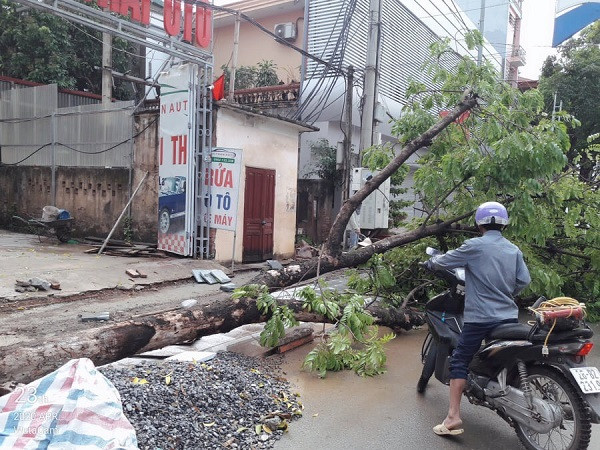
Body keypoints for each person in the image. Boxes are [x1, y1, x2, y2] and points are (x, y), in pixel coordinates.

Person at [426, 201, 531, 436]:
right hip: (508, 317)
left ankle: (453, 417)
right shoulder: (513, 250)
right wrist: (506, 293)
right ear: (504, 224)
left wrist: (431, 262)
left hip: (479, 318)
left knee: (460, 360)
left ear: (478, 224)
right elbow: (524, 281)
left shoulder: (474, 246)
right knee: (507, 356)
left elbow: (444, 260)